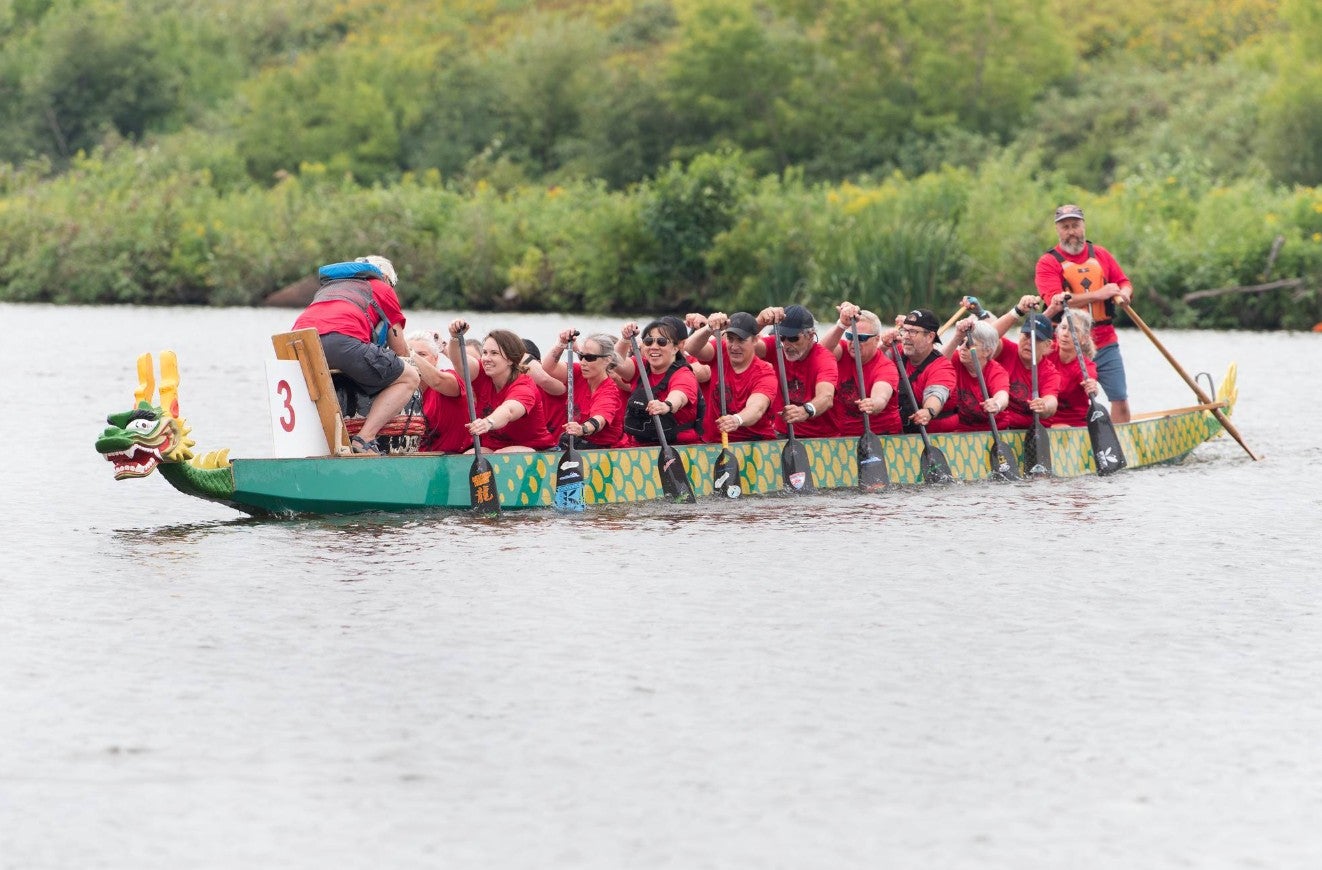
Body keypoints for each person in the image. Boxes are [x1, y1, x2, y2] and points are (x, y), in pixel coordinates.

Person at [291, 254, 419, 454]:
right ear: (386, 278)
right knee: (409, 377)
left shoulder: (331, 287)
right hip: (340, 342)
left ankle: (323, 445)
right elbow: (400, 351)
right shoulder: (382, 287)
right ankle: (365, 439)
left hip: (297, 344)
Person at [1035, 204, 1132, 423]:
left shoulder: (1101, 255)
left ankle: (1120, 448)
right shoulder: (1048, 262)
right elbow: (1054, 300)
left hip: (1104, 341)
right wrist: (1099, 295)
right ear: (1058, 230)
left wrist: (1124, 293)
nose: (1071, 231)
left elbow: (1123, 281)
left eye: (1075, 225)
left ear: (1083, 226)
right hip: (1066, 345)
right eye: (1065, 227)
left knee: (1120, 398)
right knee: (1061, 400)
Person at [445, 321, 556, 452]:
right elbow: (459, 360)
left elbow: (508, 411)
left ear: (510, 359)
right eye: (485, 352)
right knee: (470, 454)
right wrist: (454, 337)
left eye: (494, 353)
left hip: (536, 450)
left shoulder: (524, 386)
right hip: (494, 448)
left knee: (500, 455)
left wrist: (487, 422)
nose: (486, 358)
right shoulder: (482, 373)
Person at [743, 304, 838, 438]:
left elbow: (826, 397)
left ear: (811, 336)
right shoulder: (775, 347)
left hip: (821, 438)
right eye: (782, 337)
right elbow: (743, 343)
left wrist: (805, 411)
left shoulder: (824, 359)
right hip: (784, 434)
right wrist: (759, 322)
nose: (786, 344)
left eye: (793, 338)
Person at [683, 311, 778, 442]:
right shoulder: (720, 350)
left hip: (752, 442)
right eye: (730, 339)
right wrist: (709, 327)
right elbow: (690, 348)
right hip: (715, 442)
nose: (734, 346)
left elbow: (757, 408)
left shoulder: (765, 373)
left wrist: (737, 419)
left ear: (755, 340)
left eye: (741, 340)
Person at [974, 295, 1062, 429]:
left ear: (1048, 345)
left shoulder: (1050, 373)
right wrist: (1017, 311)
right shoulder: (1007, 350)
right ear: (1019, 334)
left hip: (1031, 432)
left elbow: (1051, 402)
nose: (1029, 342)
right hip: (1000, 426)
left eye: (1036, 339)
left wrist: (1043, 405)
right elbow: (988, 337)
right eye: (1026, 335)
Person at [614, 318, 705, 445]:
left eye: (662, 342)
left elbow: (679, 396)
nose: (654, 347)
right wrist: (625, 338)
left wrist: (666, 405)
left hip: (679, 449)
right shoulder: (640, 366)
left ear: (676, 348)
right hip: (639, 447)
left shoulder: (684, 374)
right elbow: (615, 362)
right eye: (648, 341)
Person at [819, 302, 902, 436]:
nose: (854, 343)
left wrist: (873, 403)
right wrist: (841, 324)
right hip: (842, 435)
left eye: (861, 338)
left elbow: (881, 396)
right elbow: (820, 352)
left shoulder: (885, 367)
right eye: (850, 336)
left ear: (877, 339)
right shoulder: (842, 351)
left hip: (881, 435)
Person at [540, 330, 626, 448]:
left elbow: (599, 420)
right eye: (581, 356)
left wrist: (582, 429)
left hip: (603, 450)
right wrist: (561, 343)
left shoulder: (609, 391)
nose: (583, 363)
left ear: (607, 359)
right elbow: (548, 368)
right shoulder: (577, 373)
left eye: (590, 358)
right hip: (578, 444)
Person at [880, 308, 957, 432]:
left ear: (930, 337)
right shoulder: (897, 351)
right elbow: (870, 362)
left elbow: (936, 394)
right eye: (904, 330)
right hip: (900, 431)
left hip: (934, 435)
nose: (905, 336)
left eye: (913, 332)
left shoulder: (942, 367)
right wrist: (883, 345)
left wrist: (928, 411)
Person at [930, 319, 1010, 433]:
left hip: (993, 430)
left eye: (969, 344)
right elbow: (935, 364)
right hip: (962, 430)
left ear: (987, 351)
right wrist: (957, 337)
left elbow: (1002, 396)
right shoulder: (956, 358)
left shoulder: (996, 372)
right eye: (961, 342)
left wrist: (996, 404)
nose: (962, 348)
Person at [405, 330, 470, 453]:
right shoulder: (399, 390)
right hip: (418, 460)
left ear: (435, 359)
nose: (414, 360)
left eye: (422, 354)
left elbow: (437, 381)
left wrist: (408, 352)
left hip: (454, 458)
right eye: (408, 356)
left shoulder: (450, 378)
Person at [1045, 305, 1102, 428]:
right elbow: (1028, 337)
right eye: (1063, 328)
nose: (1065, 334)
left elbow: (1090, 378)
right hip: (1044, 419)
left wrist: (1092, 386)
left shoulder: (1085, 366)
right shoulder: (1046, 351)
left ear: (1084, 338)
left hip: (1073, 425)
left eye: (1073, 330)